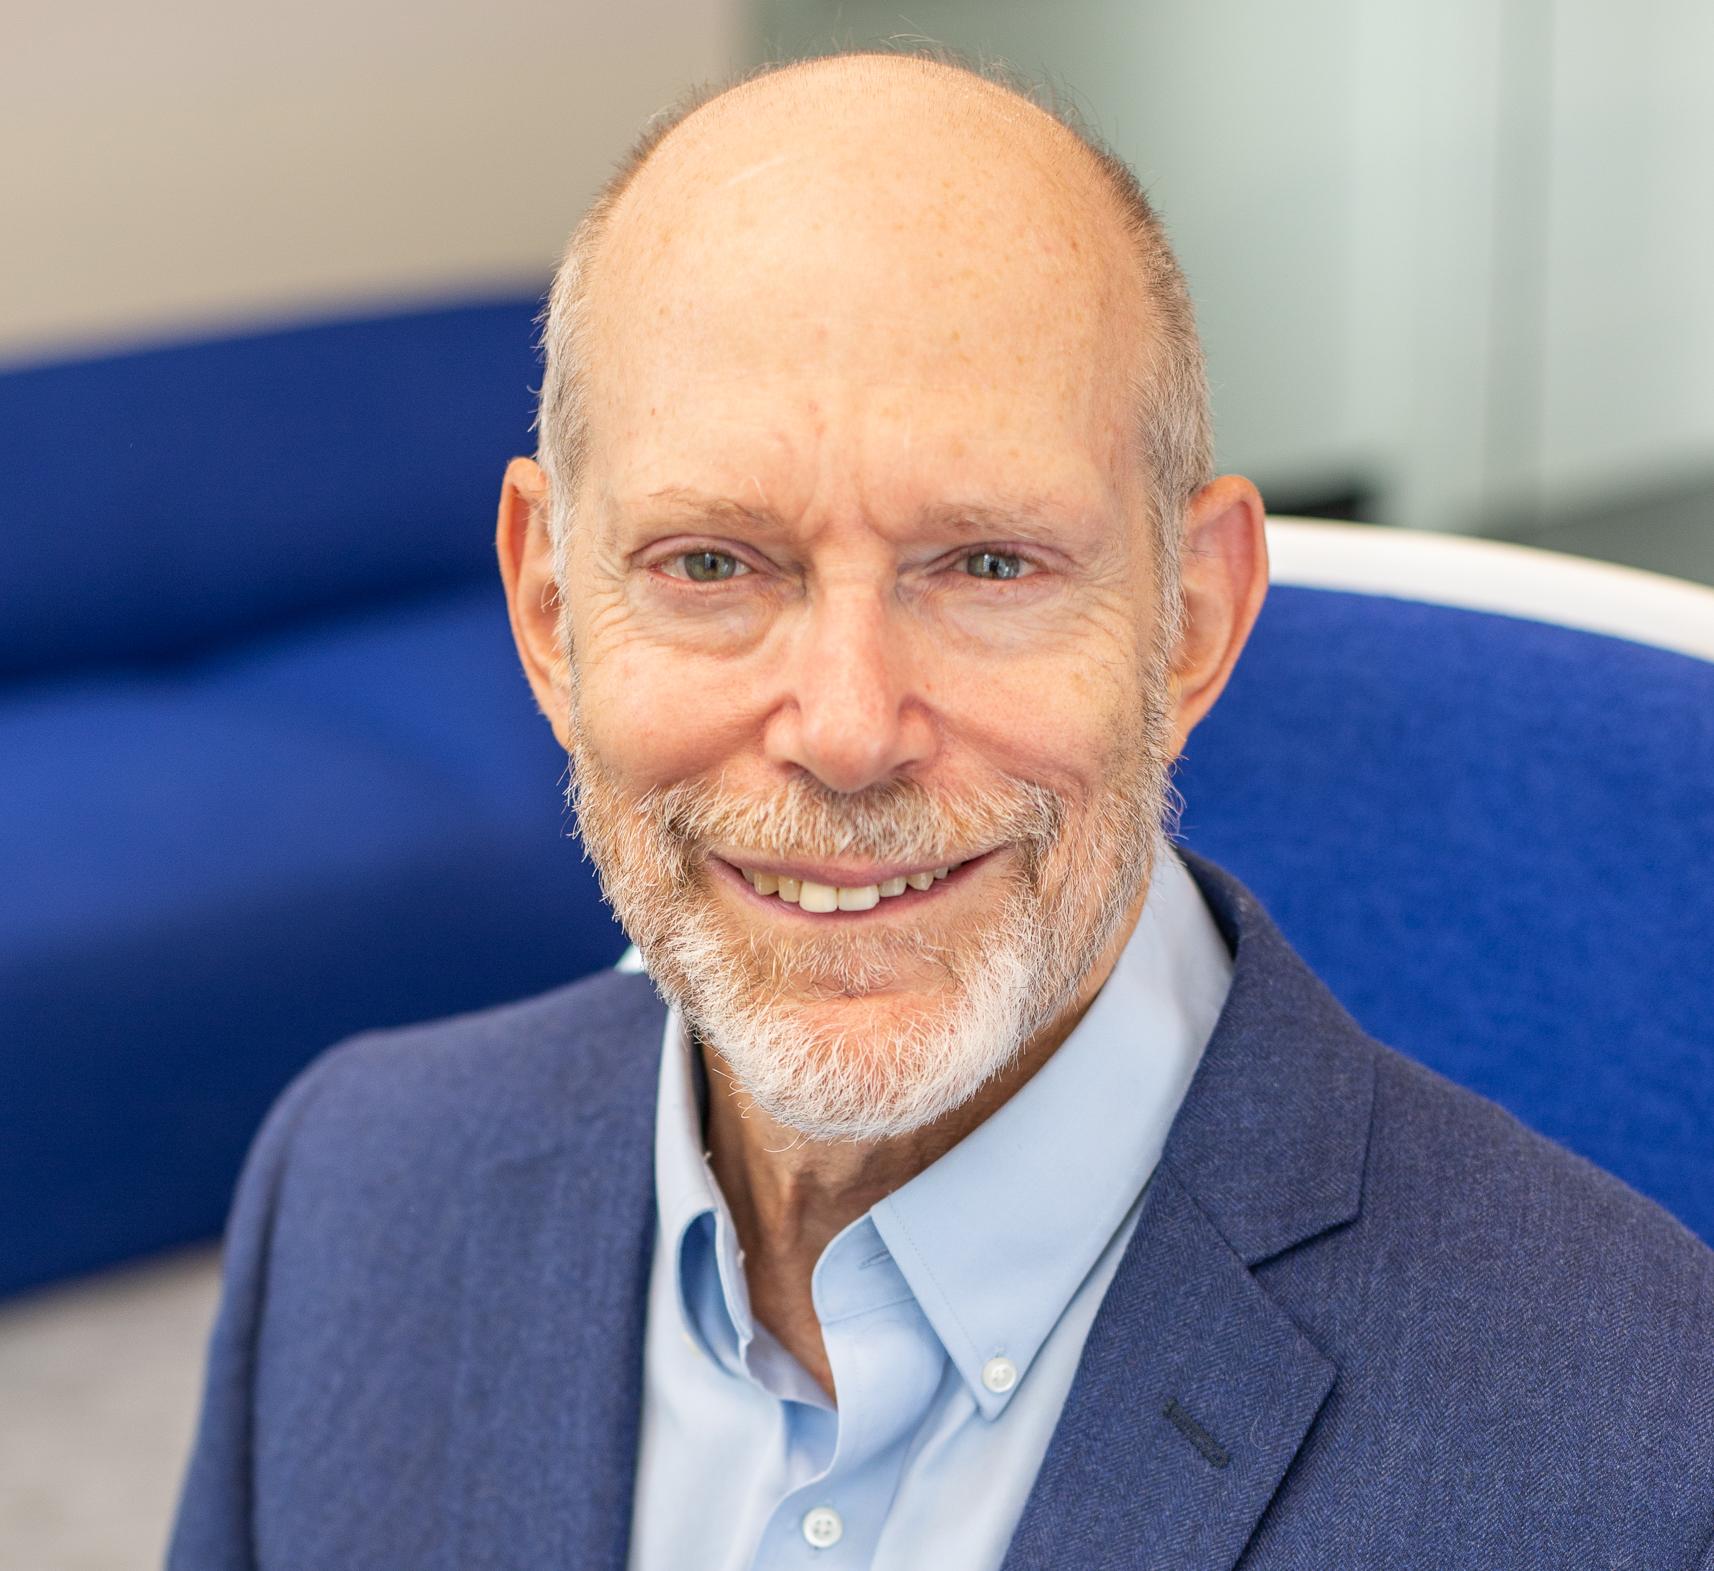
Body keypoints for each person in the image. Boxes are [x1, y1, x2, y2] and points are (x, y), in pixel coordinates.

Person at [168, 49, 1714, 1571]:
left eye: (985, 565)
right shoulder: (356, 1189)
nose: (847, 732)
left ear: (1190, 619)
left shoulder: (1634, 1448)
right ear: (551, 611)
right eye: (710, 565)